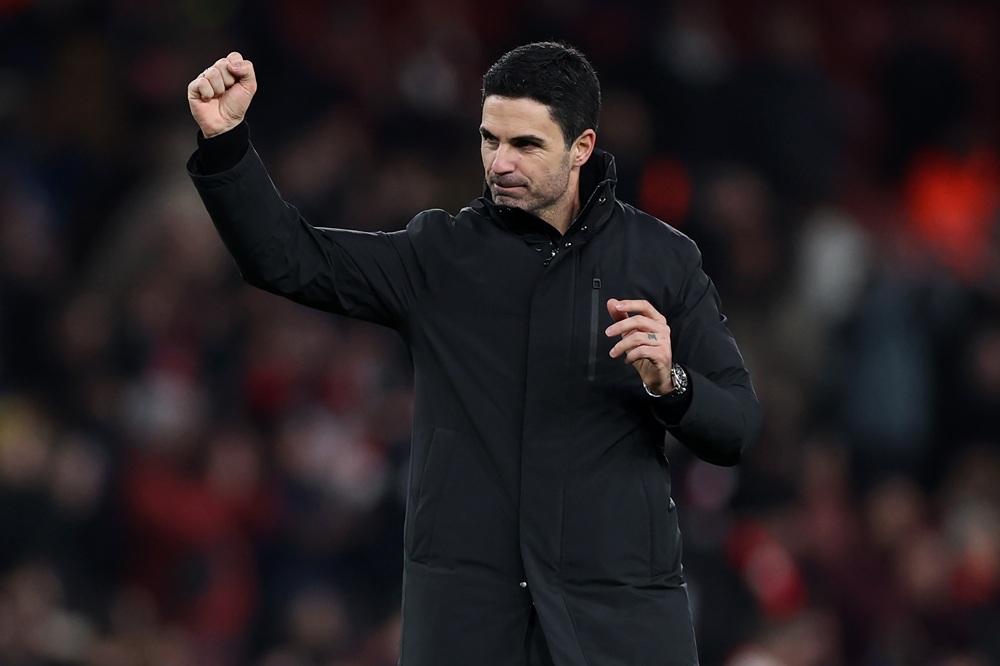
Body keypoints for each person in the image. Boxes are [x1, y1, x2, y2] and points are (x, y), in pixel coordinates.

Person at [186, 42, 761, 666]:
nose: (500, 163)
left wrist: (670, 381)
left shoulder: (661, 258)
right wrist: (226, 143)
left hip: (618, 618)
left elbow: (735, 428)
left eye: (526, 145)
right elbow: (287, 258)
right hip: (469, 620)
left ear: (582, 148)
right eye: (490, 139)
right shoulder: (439, 255)